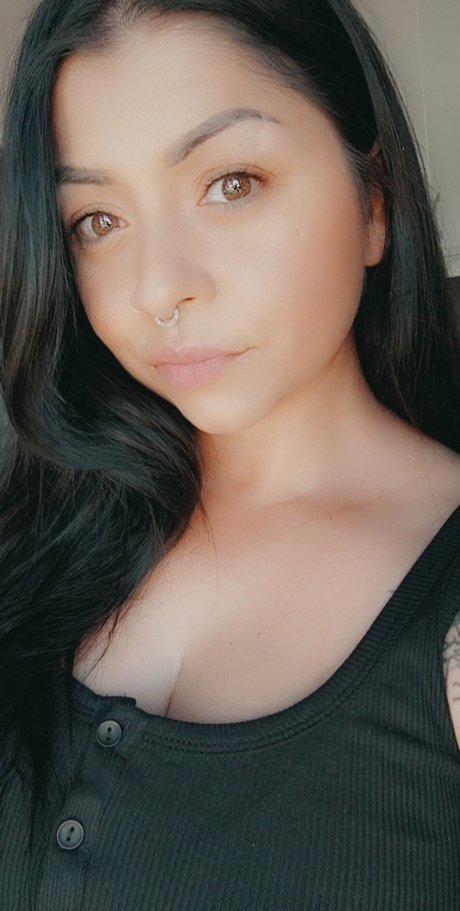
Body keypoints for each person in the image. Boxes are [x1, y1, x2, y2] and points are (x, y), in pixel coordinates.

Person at [1, 0, 459, 907]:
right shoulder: (37, 527)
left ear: (371, 200)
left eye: (232, 183)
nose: (158, 287)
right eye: (97, 220)